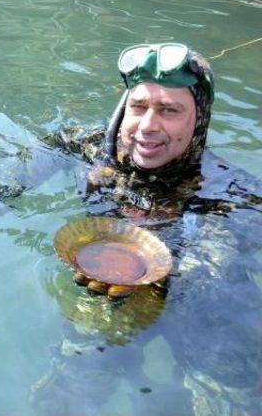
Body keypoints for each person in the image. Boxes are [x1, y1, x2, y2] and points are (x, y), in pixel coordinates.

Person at [28, 43, 262, 415]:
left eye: (170, 110)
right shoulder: (85, 148)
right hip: (107, 302)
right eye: (139, 107)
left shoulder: (235, 196)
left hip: (206, 321)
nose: (148, 126)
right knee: (64, 400)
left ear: (199, 119)